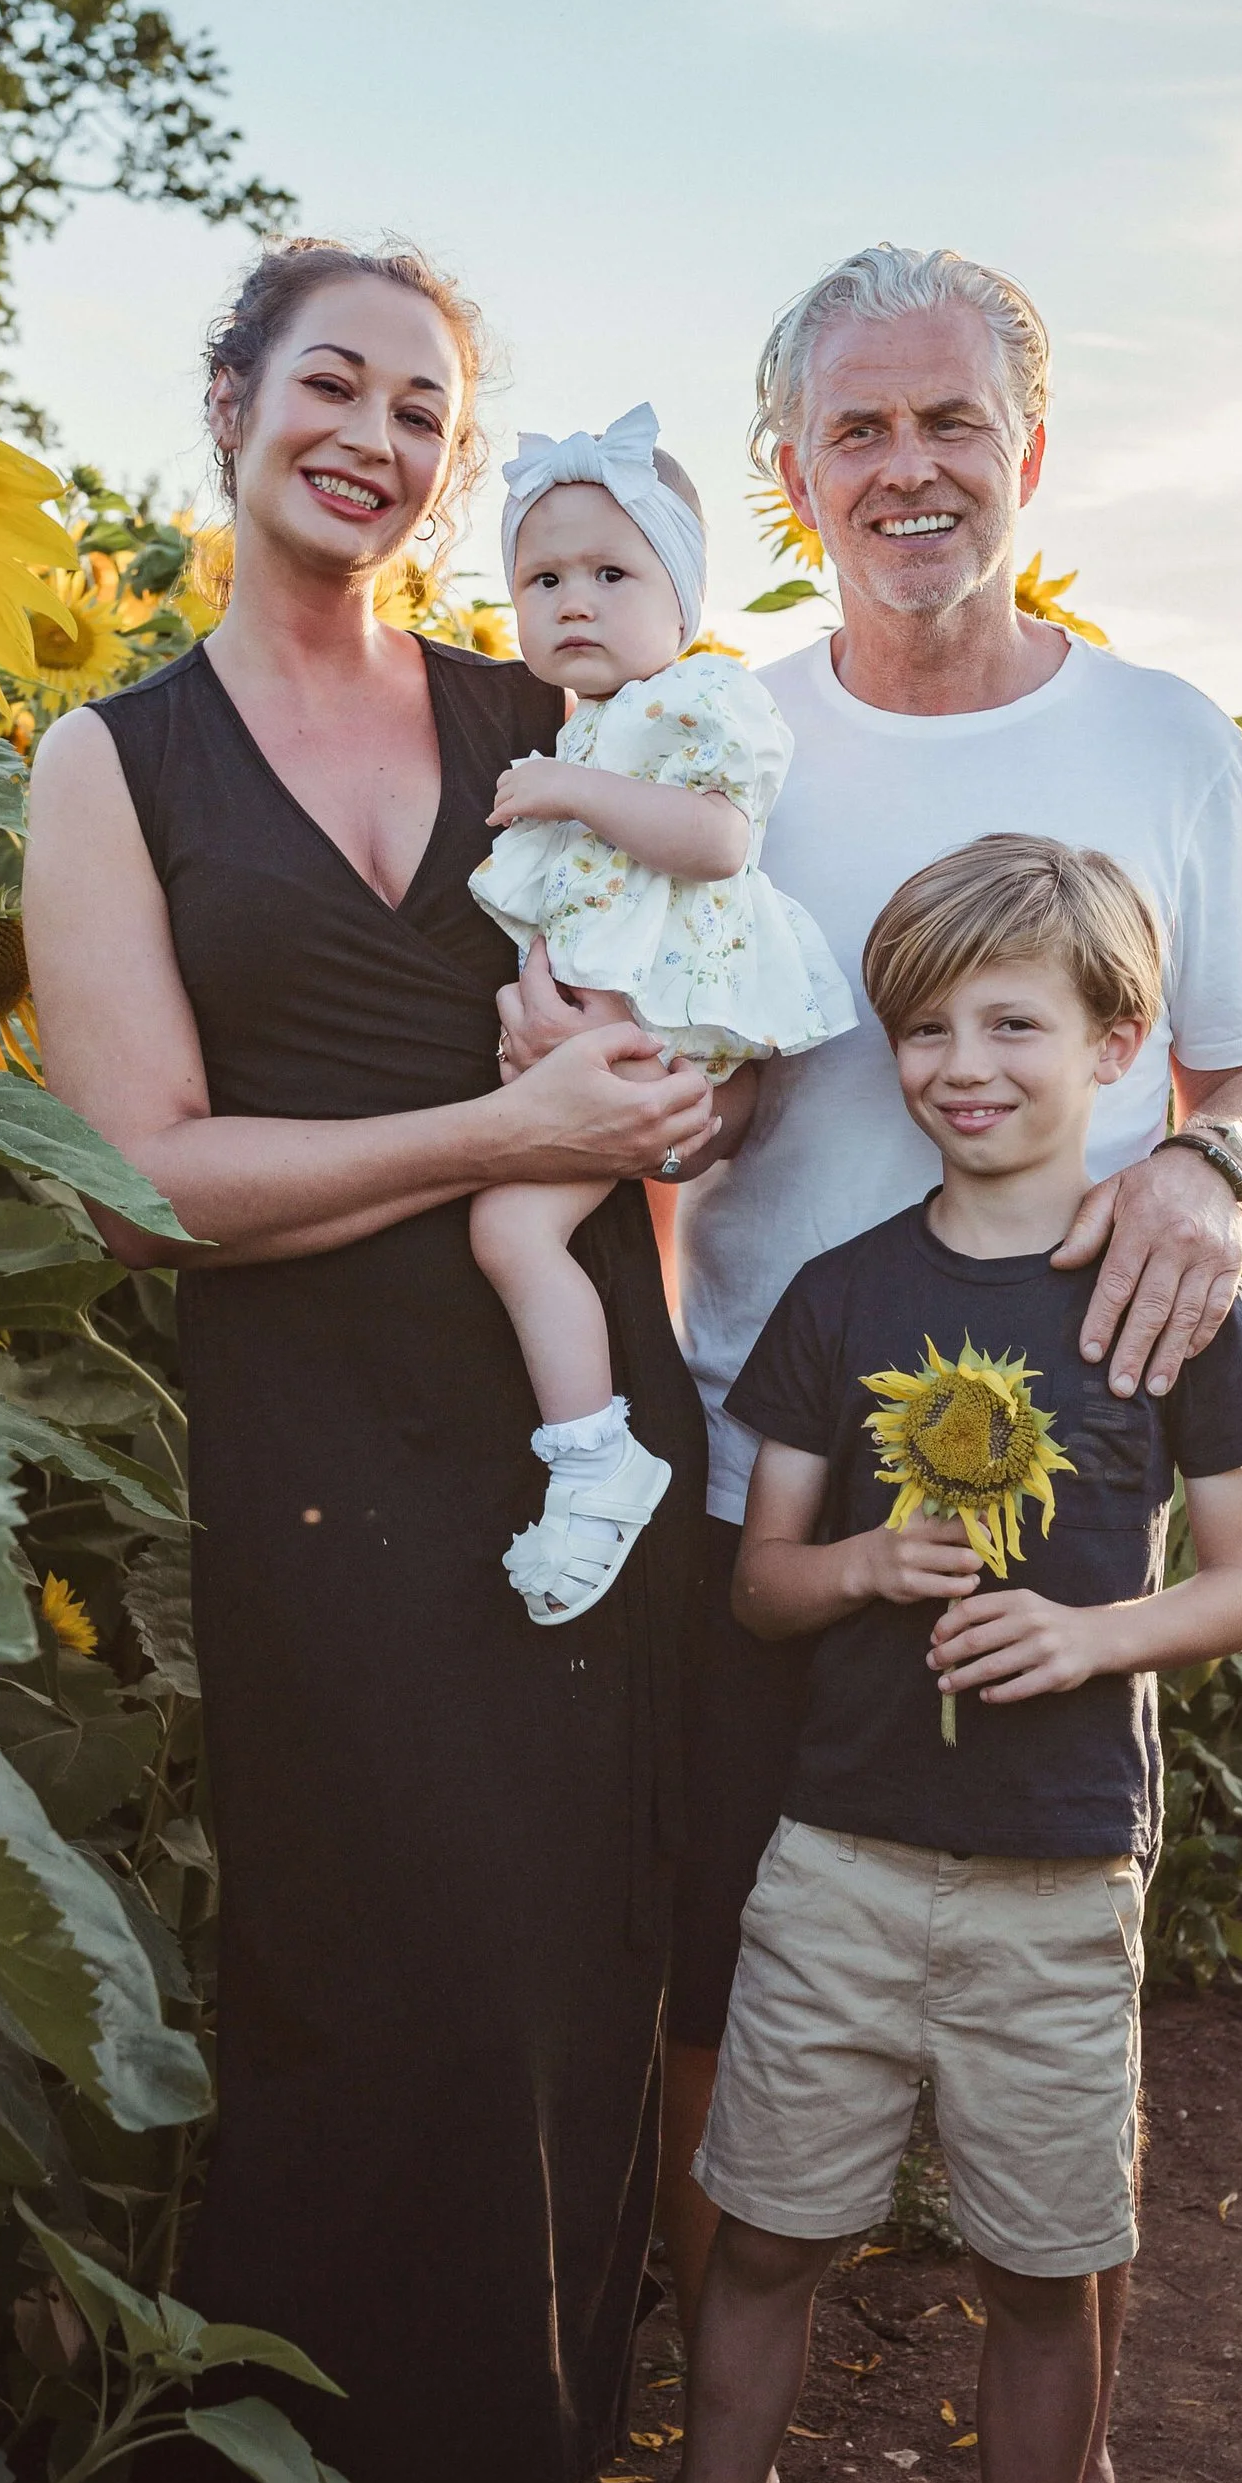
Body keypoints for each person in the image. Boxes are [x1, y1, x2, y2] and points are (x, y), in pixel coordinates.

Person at [546, 245, 1242, 2483]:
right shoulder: (727, 737)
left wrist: (1209, 1178)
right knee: (724, 1987)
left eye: (950, 421)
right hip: (761, 1433)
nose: (906, 470)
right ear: (787, 477)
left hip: (1077, 1479)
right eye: (854, 432)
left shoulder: (1167, 736)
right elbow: (633, 1046)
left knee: (1052, 1984)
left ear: (1030, 450)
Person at [22, 236, 714, 2483]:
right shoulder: (119, 761)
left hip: (575, 1429)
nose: (383, 440)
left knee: (552, 1989)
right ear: (227, 406)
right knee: (339, 1988)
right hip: (314, 1437)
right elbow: (141, 1182)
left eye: (428, 409)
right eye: (335, 384)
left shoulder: (541, 708)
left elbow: (691, 1014)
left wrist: (649, 1109)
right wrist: (494, 1135)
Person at [661, 833, 1242, 2483]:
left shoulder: (1169, 1304)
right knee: (765, 2234)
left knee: (1044, 2273)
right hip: (839, 1860)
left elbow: (1238, 1586)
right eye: (923, 1026)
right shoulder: (842, 1297)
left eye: (1012, 1022)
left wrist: (1079, 1629)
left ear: (1123, 1047)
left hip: (1051, 1876)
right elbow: (763, 1582)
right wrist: (861, 1557)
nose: (961, 1062)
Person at [470, 404, 851, 1622]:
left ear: (682, 603)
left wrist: (569, 790)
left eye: (610, 573)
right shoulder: (586, 724)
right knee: (520, 1232)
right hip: (614, 1030)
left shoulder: (698, 702)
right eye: (542, 578)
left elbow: (716, 838)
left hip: (665, 1023)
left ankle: (594, 1460)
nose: (572, 600)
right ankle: (590, 1445)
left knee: (513, 1233)